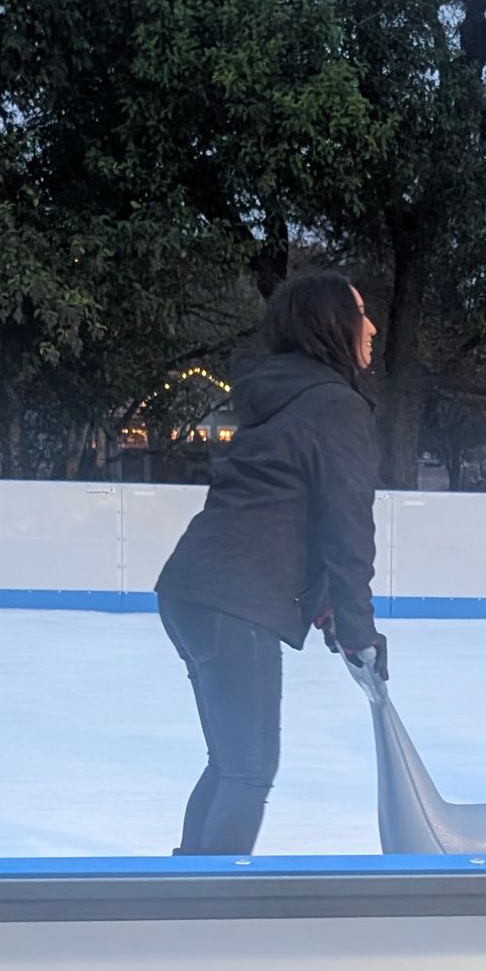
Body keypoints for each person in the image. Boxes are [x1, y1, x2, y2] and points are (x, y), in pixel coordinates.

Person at [155, 270, 383, 855]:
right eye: (361, 313)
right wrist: (359, 631)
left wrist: (326, 603)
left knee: (230, 763)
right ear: (333, 324)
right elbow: (347, 528)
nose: (373, 327)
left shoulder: (285, 397)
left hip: (194, 590)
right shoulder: (335, 406)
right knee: (249, 771)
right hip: (234, 599)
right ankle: (209, 915)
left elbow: (277, 507)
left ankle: (184, 895)